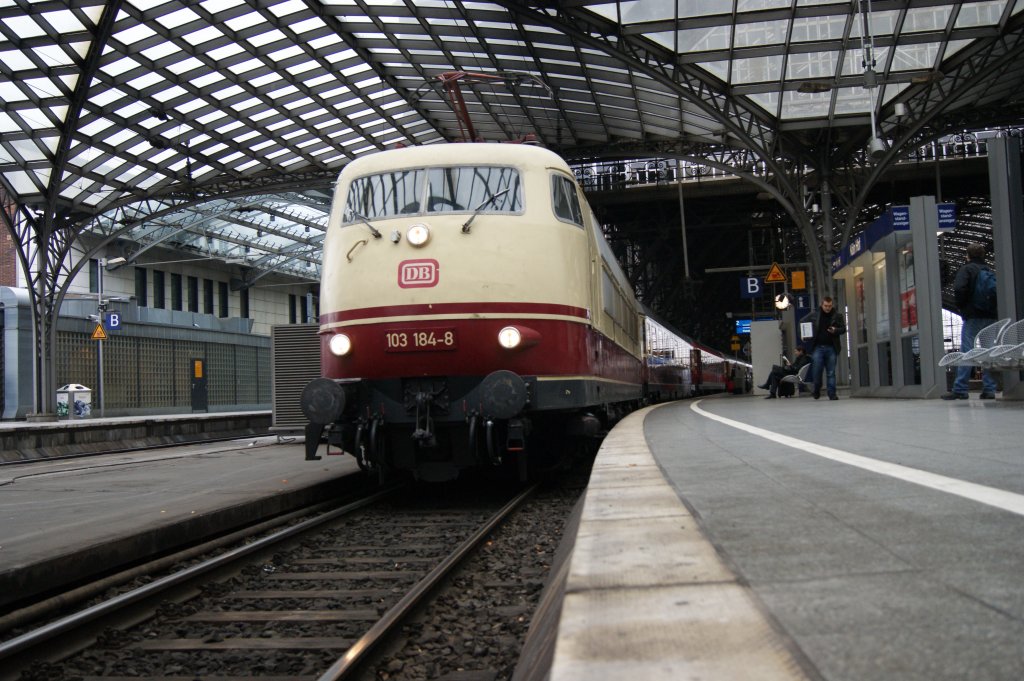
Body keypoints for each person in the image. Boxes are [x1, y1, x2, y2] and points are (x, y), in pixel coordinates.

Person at [943, 242, 998, 400]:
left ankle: (960, 389)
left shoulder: (967, 269)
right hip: (990, 316)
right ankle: (989, 389)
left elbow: (959, 289)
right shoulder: (989, 270)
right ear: (983, 255)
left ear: (967, 255)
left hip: (973, 316)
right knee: (989, 352)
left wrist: (962, 307)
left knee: (967, 351)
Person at [804, 296, 846, 400]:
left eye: (830, 306)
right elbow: (803, 322)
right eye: (826, 306)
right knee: (817, 371)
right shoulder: (815, 315)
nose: (828, 308)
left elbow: (843, 329)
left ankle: (832, 394)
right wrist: (804, 335)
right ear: (822, 305)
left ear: (832, 305)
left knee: (831, 372)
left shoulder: (837, 316)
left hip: (831, 347)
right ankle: (817, 389)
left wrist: (835, 330)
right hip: (818, 347)